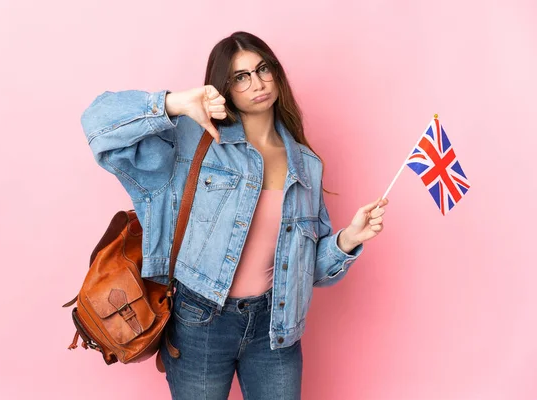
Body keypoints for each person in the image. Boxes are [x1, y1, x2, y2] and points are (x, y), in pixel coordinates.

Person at [80, 31, 388, 400]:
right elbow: (98, 124)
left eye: (263, 69)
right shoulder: (194, 138)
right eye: (241, 76)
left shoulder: (305, 165)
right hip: (200, 321)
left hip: (277, 327)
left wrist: (348, 240)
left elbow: (310, 274)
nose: (257, 83)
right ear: (224, 85)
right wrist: (176, 103)